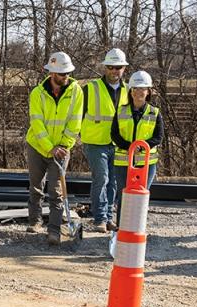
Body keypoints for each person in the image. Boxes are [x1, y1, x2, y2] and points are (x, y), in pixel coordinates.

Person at [25, 51, 84, 246]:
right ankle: (34, 221)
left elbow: (75, 122)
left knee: (56, 190)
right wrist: (50, 147)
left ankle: (54, 230)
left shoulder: (76, 92)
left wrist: (64, 145)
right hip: (37, 146)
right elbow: (37, 123)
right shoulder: (37, 93)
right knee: (35, 186)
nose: (65, 77)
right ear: (51, 74)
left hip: (61, 149)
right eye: (61, 74)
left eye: (67, 73)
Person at [80, 48, 128, 233]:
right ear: (105, 67)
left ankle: (108, 218)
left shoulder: (128, 90)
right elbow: (78, 114)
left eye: (118, 67)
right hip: (95, 142)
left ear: (123, 69)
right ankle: (99, 218)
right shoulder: (91, 88)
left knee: (114, 182)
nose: (115, 71)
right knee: (102, 178)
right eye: (111, 67)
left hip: (118, 144)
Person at [110, 70, 163, 225]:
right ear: (130, 91)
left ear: (148, 92)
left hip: (146, 163)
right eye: (136, 88)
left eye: (143, 89)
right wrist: (130, 147)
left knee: (140, 196)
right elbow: (114, 134)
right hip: (123, 162)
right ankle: (122, 228)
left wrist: (142, 147)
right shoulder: (120, 111)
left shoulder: (155, 113)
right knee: (124, 196)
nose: (139, 92)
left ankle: (137, 227)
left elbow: (158, 137)